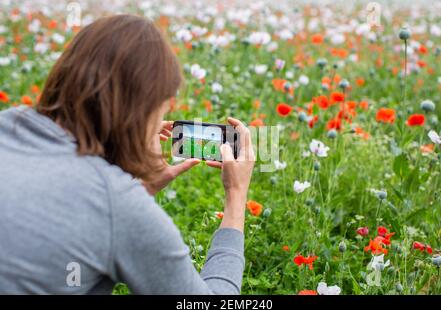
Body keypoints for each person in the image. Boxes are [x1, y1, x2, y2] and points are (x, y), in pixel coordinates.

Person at [0, 14, 255, 294]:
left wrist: (136, 190)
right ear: (143, 110)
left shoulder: (7, 122)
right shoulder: (117, 205)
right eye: (162, 105)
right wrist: (236, 193)